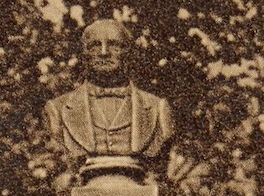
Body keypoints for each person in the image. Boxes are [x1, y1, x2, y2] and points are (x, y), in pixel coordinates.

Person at [44, 19, 173, 175]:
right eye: (94, 46)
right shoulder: (57, 110)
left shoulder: (157, 108)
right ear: (84, 55)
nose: (104, 52)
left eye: (114, 45)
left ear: (129, 54)